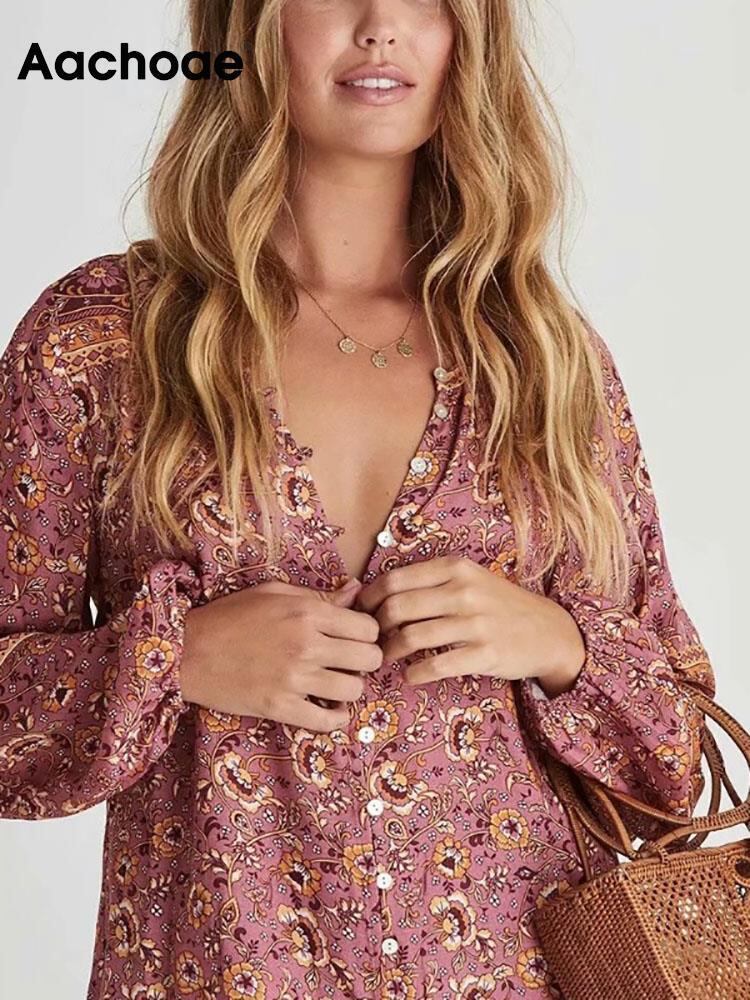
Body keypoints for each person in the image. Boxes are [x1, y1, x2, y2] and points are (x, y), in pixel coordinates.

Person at [0, 2, 716, 998]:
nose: (381, 25)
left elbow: (679, 763)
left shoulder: (545, 360)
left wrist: (558, 644)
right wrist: (176, 657)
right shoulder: (105, 338)